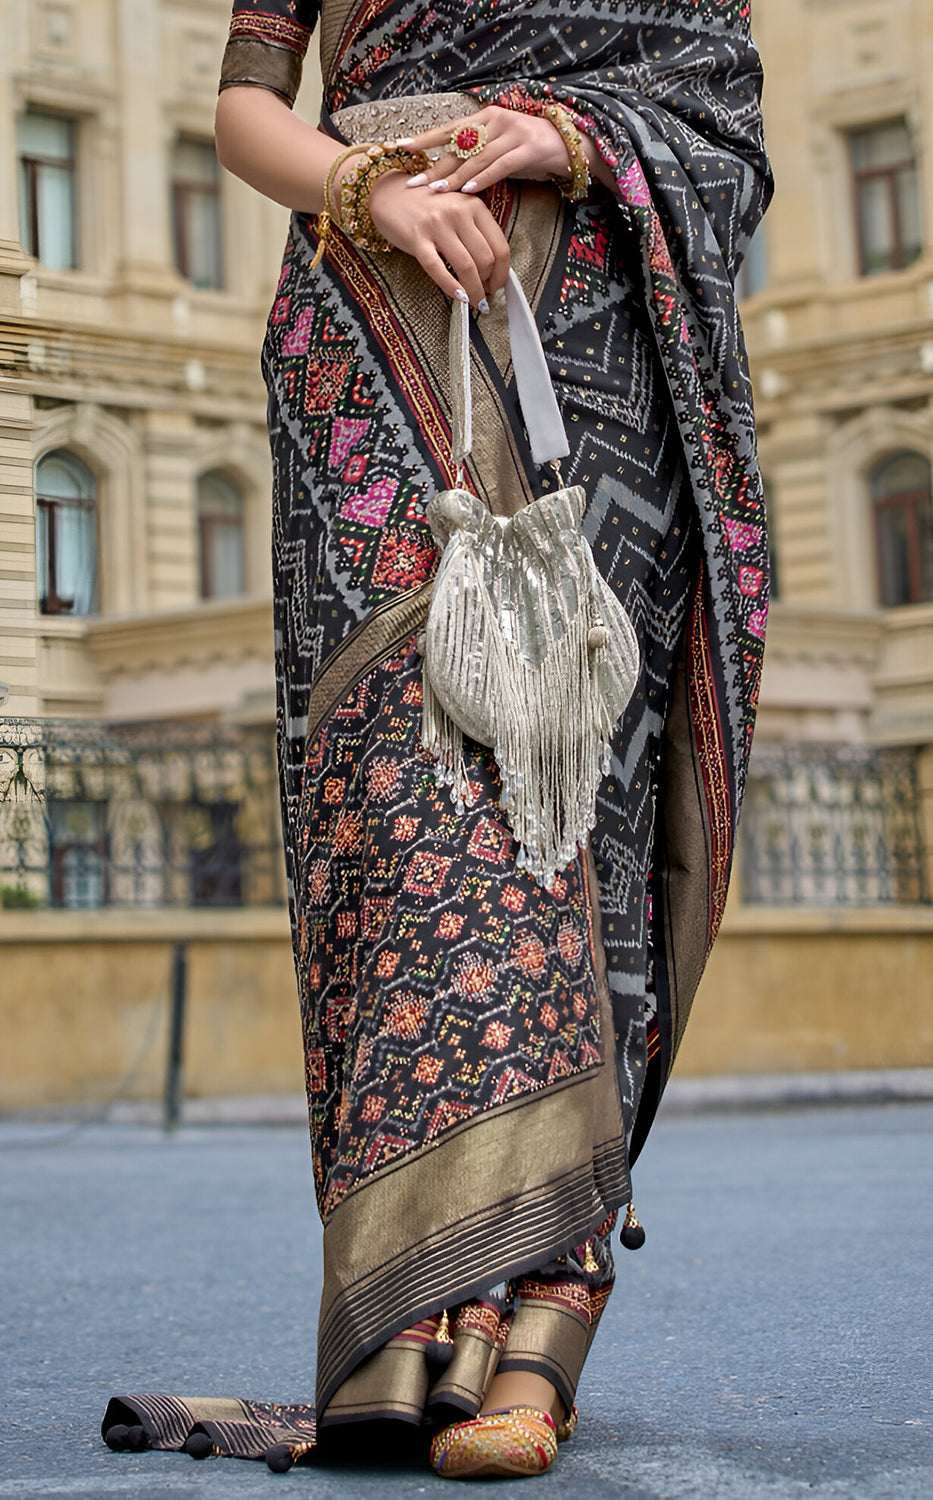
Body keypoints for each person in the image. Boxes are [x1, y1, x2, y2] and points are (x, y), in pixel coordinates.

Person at [102, 0, 771, 1482]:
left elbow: (725, 123)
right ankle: (407, 1311)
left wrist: (571, 138)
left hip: (592, 347)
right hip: (364, 343)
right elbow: (245, 106)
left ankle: (543, 1319)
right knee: (399, 818)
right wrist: (373, 192)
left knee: (568, 814)